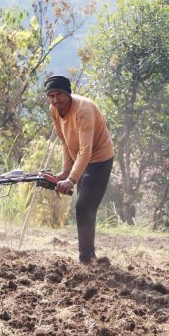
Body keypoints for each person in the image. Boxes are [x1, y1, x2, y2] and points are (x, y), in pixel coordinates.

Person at [44, 74, 114, 264]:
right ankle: (89, 256)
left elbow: (86, 150)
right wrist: (66, 170)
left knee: (83, 207)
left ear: (68, 93)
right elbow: (65, 142)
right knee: (85, 208)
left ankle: (86, 258)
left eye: (59, 94)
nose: (55, 100)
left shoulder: (83, 110)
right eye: (51, 96)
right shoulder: (54, 110)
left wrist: (71, 179)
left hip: (99, 159)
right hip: (80, 160)